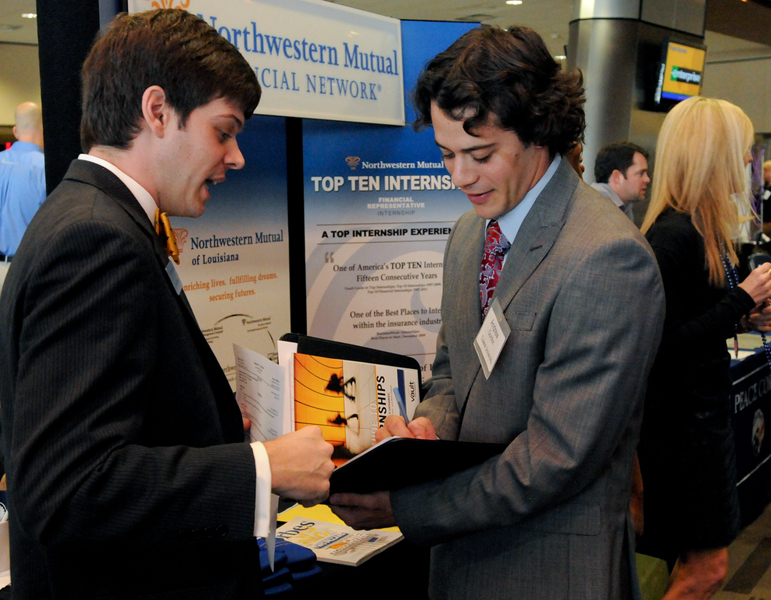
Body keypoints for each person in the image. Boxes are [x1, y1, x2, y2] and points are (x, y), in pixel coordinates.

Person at [0, 9, 334, 600]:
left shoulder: (100, 218)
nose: (236, 157)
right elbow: (68, 488)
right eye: (223, 131)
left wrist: (211, 428)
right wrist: (263, 471)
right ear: (157, 112)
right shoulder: (96, 239)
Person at [329, 25, 665, 599]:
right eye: (446, 155)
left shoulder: (606, 256)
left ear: (539, 132)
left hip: (549, 568)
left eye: (479, 155)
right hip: (462, 561)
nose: (458, 177)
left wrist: (406, 504)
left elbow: (556, 458)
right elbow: (453, 372)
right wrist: (430, 429)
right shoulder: (468, 234)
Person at [638, 97, 771, 600]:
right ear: (714, 155)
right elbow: (659, 344)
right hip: (680, 430)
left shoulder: (703, 231)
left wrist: (743, 313)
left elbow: (697, 319)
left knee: (693, 562)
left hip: (700, 420)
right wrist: (742, 297)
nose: (747, 162)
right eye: (740, 150)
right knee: (707, 569)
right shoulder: (674, 237)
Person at [0, 101, 46, 330]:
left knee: (3, 356)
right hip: (37, 272)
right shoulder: (48, 169)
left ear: (15, 131)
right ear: (44, 127)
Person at [591, 141, 651, 222]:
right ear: (617, 177)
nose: (647, 179)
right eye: (641, 173)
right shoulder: (595, 207)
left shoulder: (624, 207)